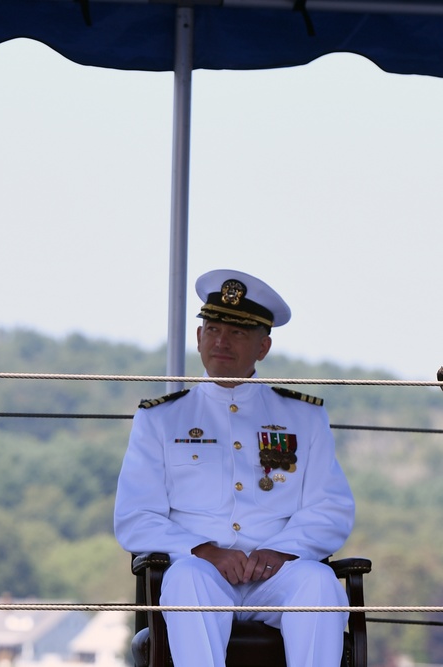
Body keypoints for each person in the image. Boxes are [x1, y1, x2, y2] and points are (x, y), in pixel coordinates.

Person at [113, 269, 355, 667]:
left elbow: (331, 507)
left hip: (277, 574)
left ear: (263, 347)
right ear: (198, 338)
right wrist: (204, 551)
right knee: (187, 578)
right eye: (212, 329)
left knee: (320, 582)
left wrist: (280, 551)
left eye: (238, 333)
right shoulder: (160, 419)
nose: (221, 341)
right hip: (202, 573)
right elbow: (135, 517)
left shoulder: (303, 417)